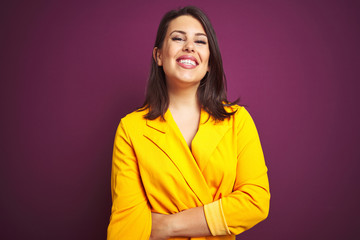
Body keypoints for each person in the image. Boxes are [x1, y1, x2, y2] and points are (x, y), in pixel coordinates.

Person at [107, 6, 270, 240]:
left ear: (210, 62)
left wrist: (168, 226)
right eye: (177, 38)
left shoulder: (237, 121)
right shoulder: (131, 128)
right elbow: (127, 223)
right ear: (159, 56)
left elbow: (256, 201)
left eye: (200, 41)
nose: (189, 47)